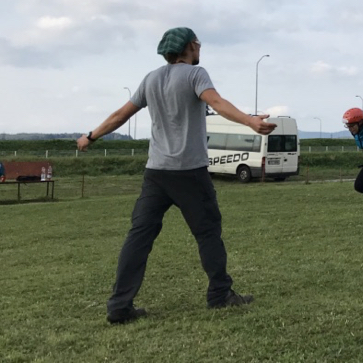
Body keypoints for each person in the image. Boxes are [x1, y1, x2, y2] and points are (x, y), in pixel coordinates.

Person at [77, 27, 277, 325]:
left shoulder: (151, 78)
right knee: (208, 233)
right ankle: (220, 295)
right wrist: (249, 120)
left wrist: (90, 137)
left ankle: (119, 306)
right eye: (198, 44)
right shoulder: (196, 75)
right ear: (190, 47)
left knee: (139, 237)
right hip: (190, 173)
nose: (200, 50)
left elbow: (121, 115)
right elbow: (217, 103)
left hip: (156, 173)